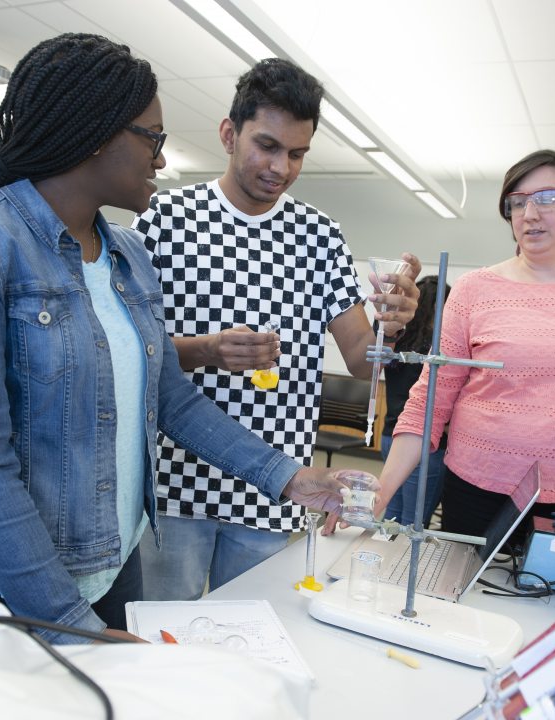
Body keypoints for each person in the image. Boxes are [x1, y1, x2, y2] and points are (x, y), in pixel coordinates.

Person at [0, 34, 350, 643]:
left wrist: (288, 477)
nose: (161, 160)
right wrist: (67, 623)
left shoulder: (126, 257)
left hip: (108, 565)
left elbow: (172, 398)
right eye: (153, 138)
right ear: (95, 134)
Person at [132, 58, 420, 600]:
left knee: (252, 645)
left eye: (296, 154)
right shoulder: (163, 219)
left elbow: (362, 360)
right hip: (172, 484)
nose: (280, 167)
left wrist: (394, 324)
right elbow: (126, 350)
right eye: (266, 145)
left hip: (277, 486)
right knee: (160, 642)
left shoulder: (319, 234)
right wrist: (206, 350)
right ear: (228, 134)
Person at [333, 149, 555, 565]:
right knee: (461, 602)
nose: (529, 212)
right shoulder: (475, 290)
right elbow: (429, 402)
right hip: (478, 489)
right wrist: (379, 497)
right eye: (517, 201)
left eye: (547, 198)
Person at [380, 275, 450, 527]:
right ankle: (401, 567)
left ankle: (384, 564)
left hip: (390, 436)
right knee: (414, 522)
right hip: (426, 444)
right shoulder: (441, 351)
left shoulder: (398, 341)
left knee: (391, 516)